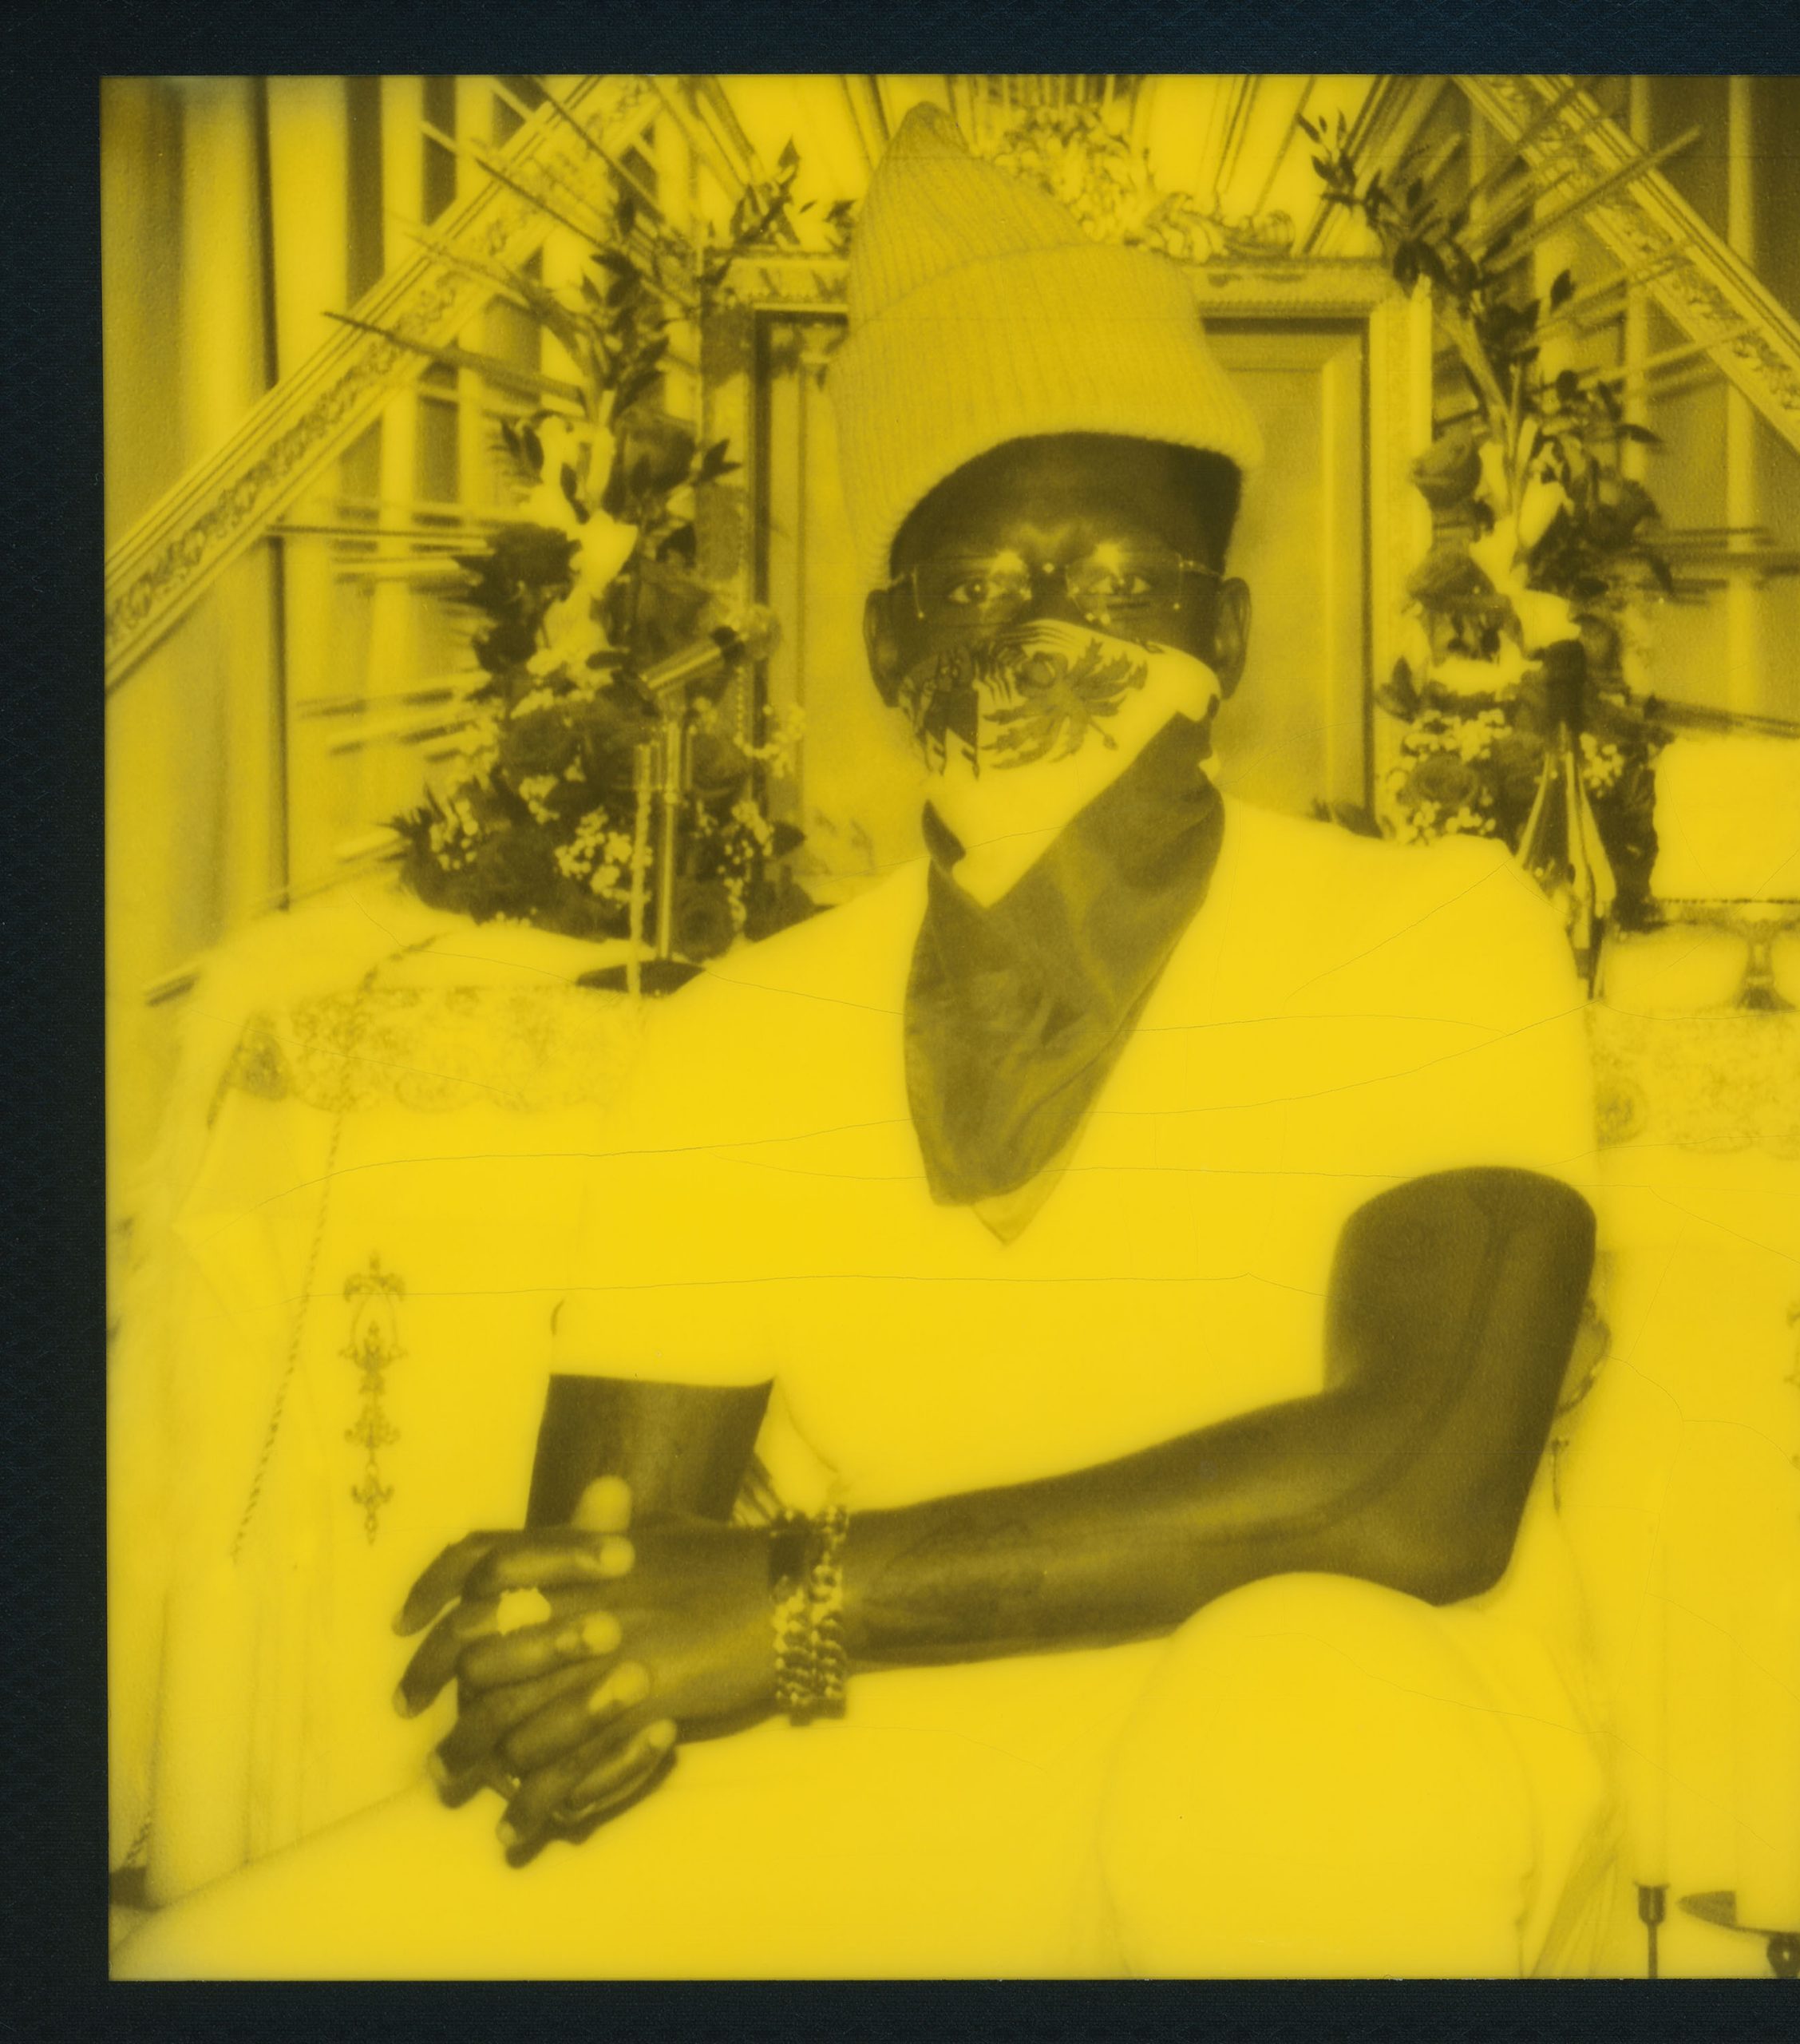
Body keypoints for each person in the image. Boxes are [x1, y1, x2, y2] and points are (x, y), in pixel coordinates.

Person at [115, 104, 1622, 1980]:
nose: (1048, 638)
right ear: (895, 651)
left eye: (1121, 584)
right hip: (932, 1751)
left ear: (1223, 634)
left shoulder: (1425, 927)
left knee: (1282, 1709)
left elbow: (1412, 1483)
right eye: (980, 593)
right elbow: (623, 1580)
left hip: (1373, 1745)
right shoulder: (746, 1032)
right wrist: (564, 1670)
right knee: (221, 1962)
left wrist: (797, 1597)